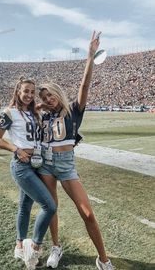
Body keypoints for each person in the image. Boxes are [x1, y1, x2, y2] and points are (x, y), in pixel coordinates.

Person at [37, 31, 114, 270]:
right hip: (47, 165)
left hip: (67, 166)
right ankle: (56, 247)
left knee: (87, 213)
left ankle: (103, 260)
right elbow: (19, 106)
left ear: (58, 93)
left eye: (50, 94)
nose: (48, 99)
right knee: (50, 208)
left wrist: (90, 57)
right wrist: (36, 105)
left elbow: (85, 84)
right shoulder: (44, 115)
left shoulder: (73, 110)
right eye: (44, 97)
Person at [0, 77, 57, 270]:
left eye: (32, 92)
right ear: (17, 91)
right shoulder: (8, 112)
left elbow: (47, 105)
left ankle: (19, 245)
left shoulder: (32, 111)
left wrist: (47, 101)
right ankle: (34, 246)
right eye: (25, 91)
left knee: (25, 206)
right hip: (22, 165)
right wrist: (15, 149)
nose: (29, 95)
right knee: (49, 206)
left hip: (37, 163)